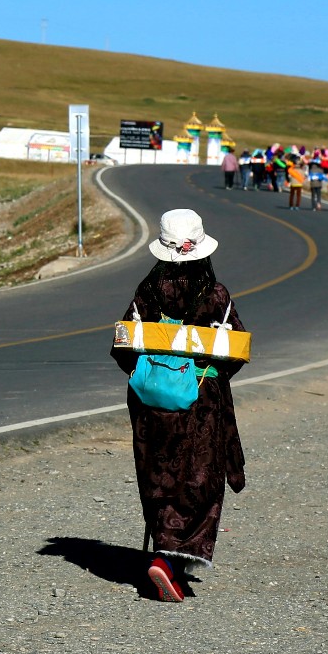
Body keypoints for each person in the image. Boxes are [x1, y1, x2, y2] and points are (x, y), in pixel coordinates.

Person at [113, 209, 246, 603]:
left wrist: (158, 377)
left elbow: (123, 348)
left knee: (158, 475)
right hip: (200, 402)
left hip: (148, 402)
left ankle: (163, 550)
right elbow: (234, 353)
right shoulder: (215, 295)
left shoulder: (146, 292)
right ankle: (170, 563)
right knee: (200, 481)